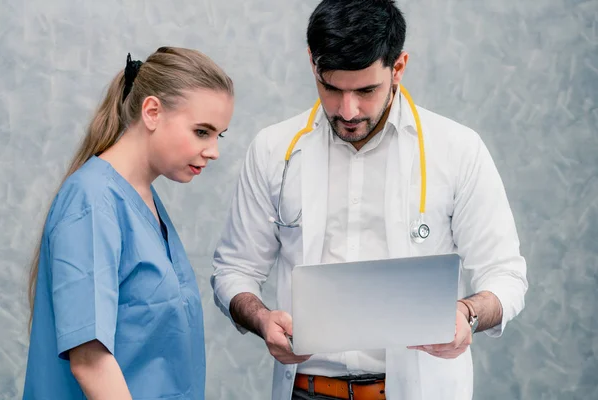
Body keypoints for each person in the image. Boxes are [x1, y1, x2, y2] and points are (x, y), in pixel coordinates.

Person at [211, 0, 528, 399]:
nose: (348, 110)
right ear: (313, 63)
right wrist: (260, 319)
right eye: (331, 88)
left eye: (366, 90)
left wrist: (467, 313)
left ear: (398, 68)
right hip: (308, 392)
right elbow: (232, 270)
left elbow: (506, 275)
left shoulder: (458, 150)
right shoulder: (274, 151)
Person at [23, 46, 234, 400]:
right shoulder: (92, 202)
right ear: (152, 111)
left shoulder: (144, 200)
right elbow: (90, 362)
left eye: (219, 135)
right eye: (202, 132)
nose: (214, 150)